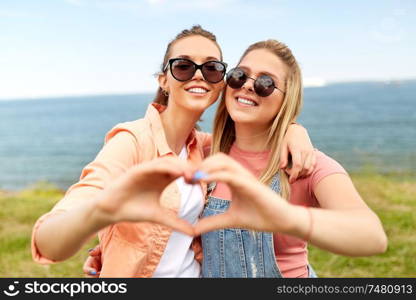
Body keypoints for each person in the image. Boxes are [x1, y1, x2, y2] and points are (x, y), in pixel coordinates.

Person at [31, 26, 316, 278]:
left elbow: (253, 136)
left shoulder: (204, 148)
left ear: (220, 83)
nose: (198, 75)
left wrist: (293, 128)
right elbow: (50, 241)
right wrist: (100, 214)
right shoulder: (131, 142)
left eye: (212, 68)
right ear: (163, 80)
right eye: (183, 66)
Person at [189, 39, 388, 278]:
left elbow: (372, 236)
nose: (248, 86)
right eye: (240, 75)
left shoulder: (304, 164)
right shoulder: (205, 152)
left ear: (286, 98)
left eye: (266, 82)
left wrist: (285, 217)